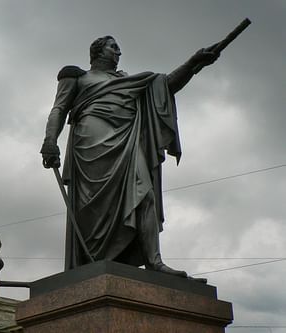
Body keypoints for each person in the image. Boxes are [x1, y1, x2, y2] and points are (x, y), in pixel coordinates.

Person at [41, 36, 219, 277]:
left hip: (128, 141)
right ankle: (94, 260)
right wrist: (50, 141)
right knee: (93, 208)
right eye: (113, 48)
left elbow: (165, 86)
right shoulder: (78, 76)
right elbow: (59, 108)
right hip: (92, 142)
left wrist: (193, 64)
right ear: (97, 51)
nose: (118, 53)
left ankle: (154, 261)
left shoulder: (129, 81)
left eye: (119, 49)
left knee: (145, 196)